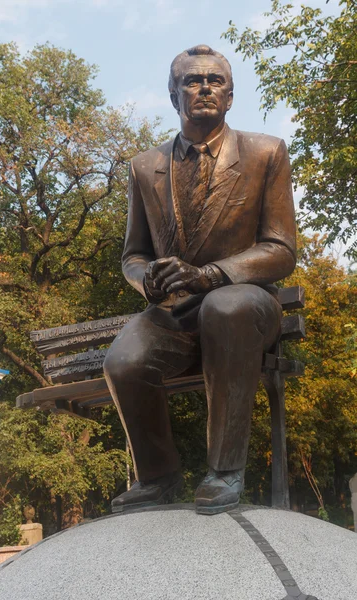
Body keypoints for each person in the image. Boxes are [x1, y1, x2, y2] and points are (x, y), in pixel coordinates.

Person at [104, 44, 296, 515]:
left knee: (224, 306)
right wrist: (145, 278)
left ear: (230, 97)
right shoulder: (143, 167)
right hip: (175, 312)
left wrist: (211, 275)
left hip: (247, 304)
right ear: (173, 96)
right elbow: (134, 254)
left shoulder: (265, 153)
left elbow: (281, 249)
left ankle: (225, 469)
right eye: (192, 81)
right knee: (124, 361)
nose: (205, 87)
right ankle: (158, 475)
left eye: (216, 81)